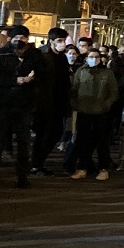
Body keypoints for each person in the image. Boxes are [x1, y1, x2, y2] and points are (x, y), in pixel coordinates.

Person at [0, 25, 42, 189]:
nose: (19, 41)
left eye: (23, 38)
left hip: (24, 104)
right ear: (10, 39)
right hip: (2, 102)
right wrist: (14, 80)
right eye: (16, 38)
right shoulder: (1, 54)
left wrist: (32, 80)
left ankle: (22, 177)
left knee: (23, 141)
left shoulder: (35, 55)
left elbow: (44, 75)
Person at [69, 46, 119, 181]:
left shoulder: (107, 73)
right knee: (83, 140)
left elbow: (113, 92)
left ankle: (103, 168)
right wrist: (76, 105)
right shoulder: (81, 71)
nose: (94, 59)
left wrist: (106, 105)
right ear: (86, 58)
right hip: (84, 111)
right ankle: (82, 167)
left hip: (101, 112)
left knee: (102, 141)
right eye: (91, 57)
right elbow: (74, 90)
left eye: (96, 57)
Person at [32, 28, 74, 176]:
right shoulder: (43, 56)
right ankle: (35, 164)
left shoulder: (61, 57)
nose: (62, 44)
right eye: (59, 41)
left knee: (54, 133)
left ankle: (37, 163)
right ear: (51, 41)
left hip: (58, 101)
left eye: (64, 41)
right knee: (44, 134)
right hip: (45, 102)